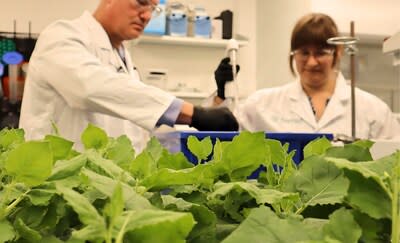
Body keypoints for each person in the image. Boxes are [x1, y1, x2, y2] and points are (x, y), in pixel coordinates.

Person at [19, 0, 238, 152]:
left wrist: (216, 100)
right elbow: (90, 89)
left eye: (154, 9)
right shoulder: (62, 36)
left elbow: (145, 120)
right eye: (141, 2)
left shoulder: (126, 62)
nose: (147, 16)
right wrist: (192, 113)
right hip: (55, 188)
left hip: (106, 189)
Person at [213, 13, 400, 140]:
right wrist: (222, 92)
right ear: (293, 53)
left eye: (320, 52)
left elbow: (393, 159)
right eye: (304, 53)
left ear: (338, 51)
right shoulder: (262, 103)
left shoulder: (372, 110)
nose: (312, 62)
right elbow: (224, 133)